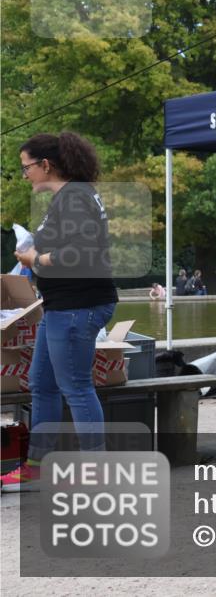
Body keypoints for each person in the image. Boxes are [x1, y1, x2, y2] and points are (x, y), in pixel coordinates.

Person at [2, 132, 118, 492]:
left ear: (46, 164)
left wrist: (36, 259)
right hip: (61, 306)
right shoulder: (72, 196)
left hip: (77, 306)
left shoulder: (74, 197)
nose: (25, 175)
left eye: (26, 168)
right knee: (43, 384)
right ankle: (37, 466)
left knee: (76, 387)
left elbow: (81, 252)